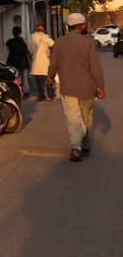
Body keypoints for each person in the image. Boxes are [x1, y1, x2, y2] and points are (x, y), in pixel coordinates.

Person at [46, 13, 105, 162]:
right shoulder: (89, 42)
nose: (86, 25)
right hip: (88, 88)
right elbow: (95, 67)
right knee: (86, 118)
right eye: (85, 23)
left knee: (74, 118)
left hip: (68, 87)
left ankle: (76, 148)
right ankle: (83, 146)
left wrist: (50, 77)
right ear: (79, 25)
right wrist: (100, 86)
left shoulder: (59, 42)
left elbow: (53, 64)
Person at [28, 23, 55, 101]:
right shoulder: (46, 37)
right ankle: (50, 95)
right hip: (45, 61)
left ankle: (42, 96)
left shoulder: (32, 37)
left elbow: (29, 50)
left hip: (35, 62)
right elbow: (52, 44)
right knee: (48, 79)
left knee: (39, 81)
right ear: (43, 30)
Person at [5, 26, 31, 93]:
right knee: (24, 79)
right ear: (20, 32)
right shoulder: (23, 42)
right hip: (23, 63)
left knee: (14, 78)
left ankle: (15, 91)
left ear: (13, 32)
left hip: (12, 63)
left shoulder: (9, 42)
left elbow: (8, 50)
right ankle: (25, 92)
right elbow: (27, 52)